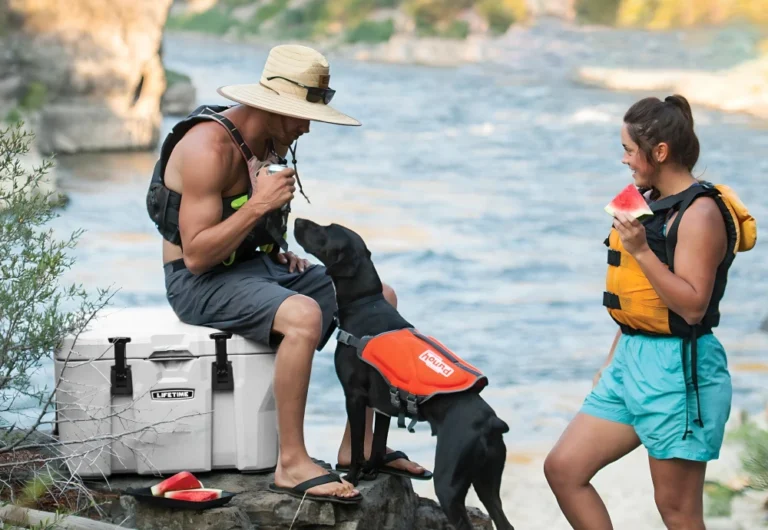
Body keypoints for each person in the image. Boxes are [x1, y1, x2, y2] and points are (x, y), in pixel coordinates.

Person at [145, 44, 429, 503]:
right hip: (197, 282)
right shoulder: (207, 148)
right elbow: (197, 255)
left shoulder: (272, 142)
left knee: (381, 298)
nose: (308, 126)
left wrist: (279, 249)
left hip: (258, 268)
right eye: (299, 114)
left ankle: (360, 445)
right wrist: (259, 203)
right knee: (302, 314)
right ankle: (291, 462)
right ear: (269, 106)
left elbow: (252, 223)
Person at [543, 94, 756, 529]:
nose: (623, 160)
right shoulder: (641, 197)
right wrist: (610, 362)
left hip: (680, 370)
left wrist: (641, 249)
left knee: (677, 512)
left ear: (659, 152)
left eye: (628, 149)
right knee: (564, 469)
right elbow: (635, 295)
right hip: (630, 361)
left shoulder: (701, 213)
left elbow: (693, 306)